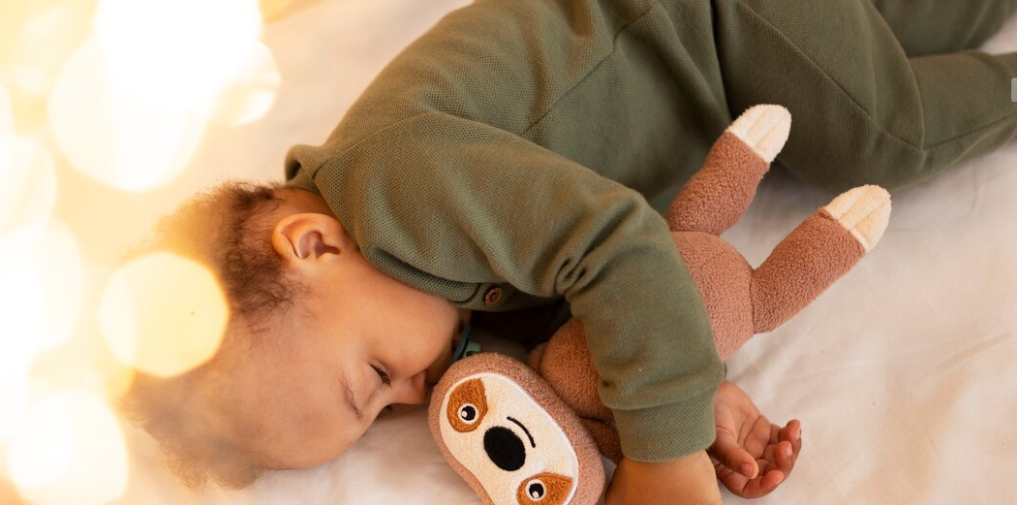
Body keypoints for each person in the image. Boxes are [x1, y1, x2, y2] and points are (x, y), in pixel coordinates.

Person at [119, 0, 1017, 503]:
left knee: (880, 131)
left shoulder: (397, 179)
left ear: (312, 244)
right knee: (932, 19)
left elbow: (616, 249)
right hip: (737, 69)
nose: (416, 391)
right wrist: (697, 393)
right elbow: (576, 315)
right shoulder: (400, 271)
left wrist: (664, 464)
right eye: (384, 414)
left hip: (708, 19)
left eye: (377, 375)